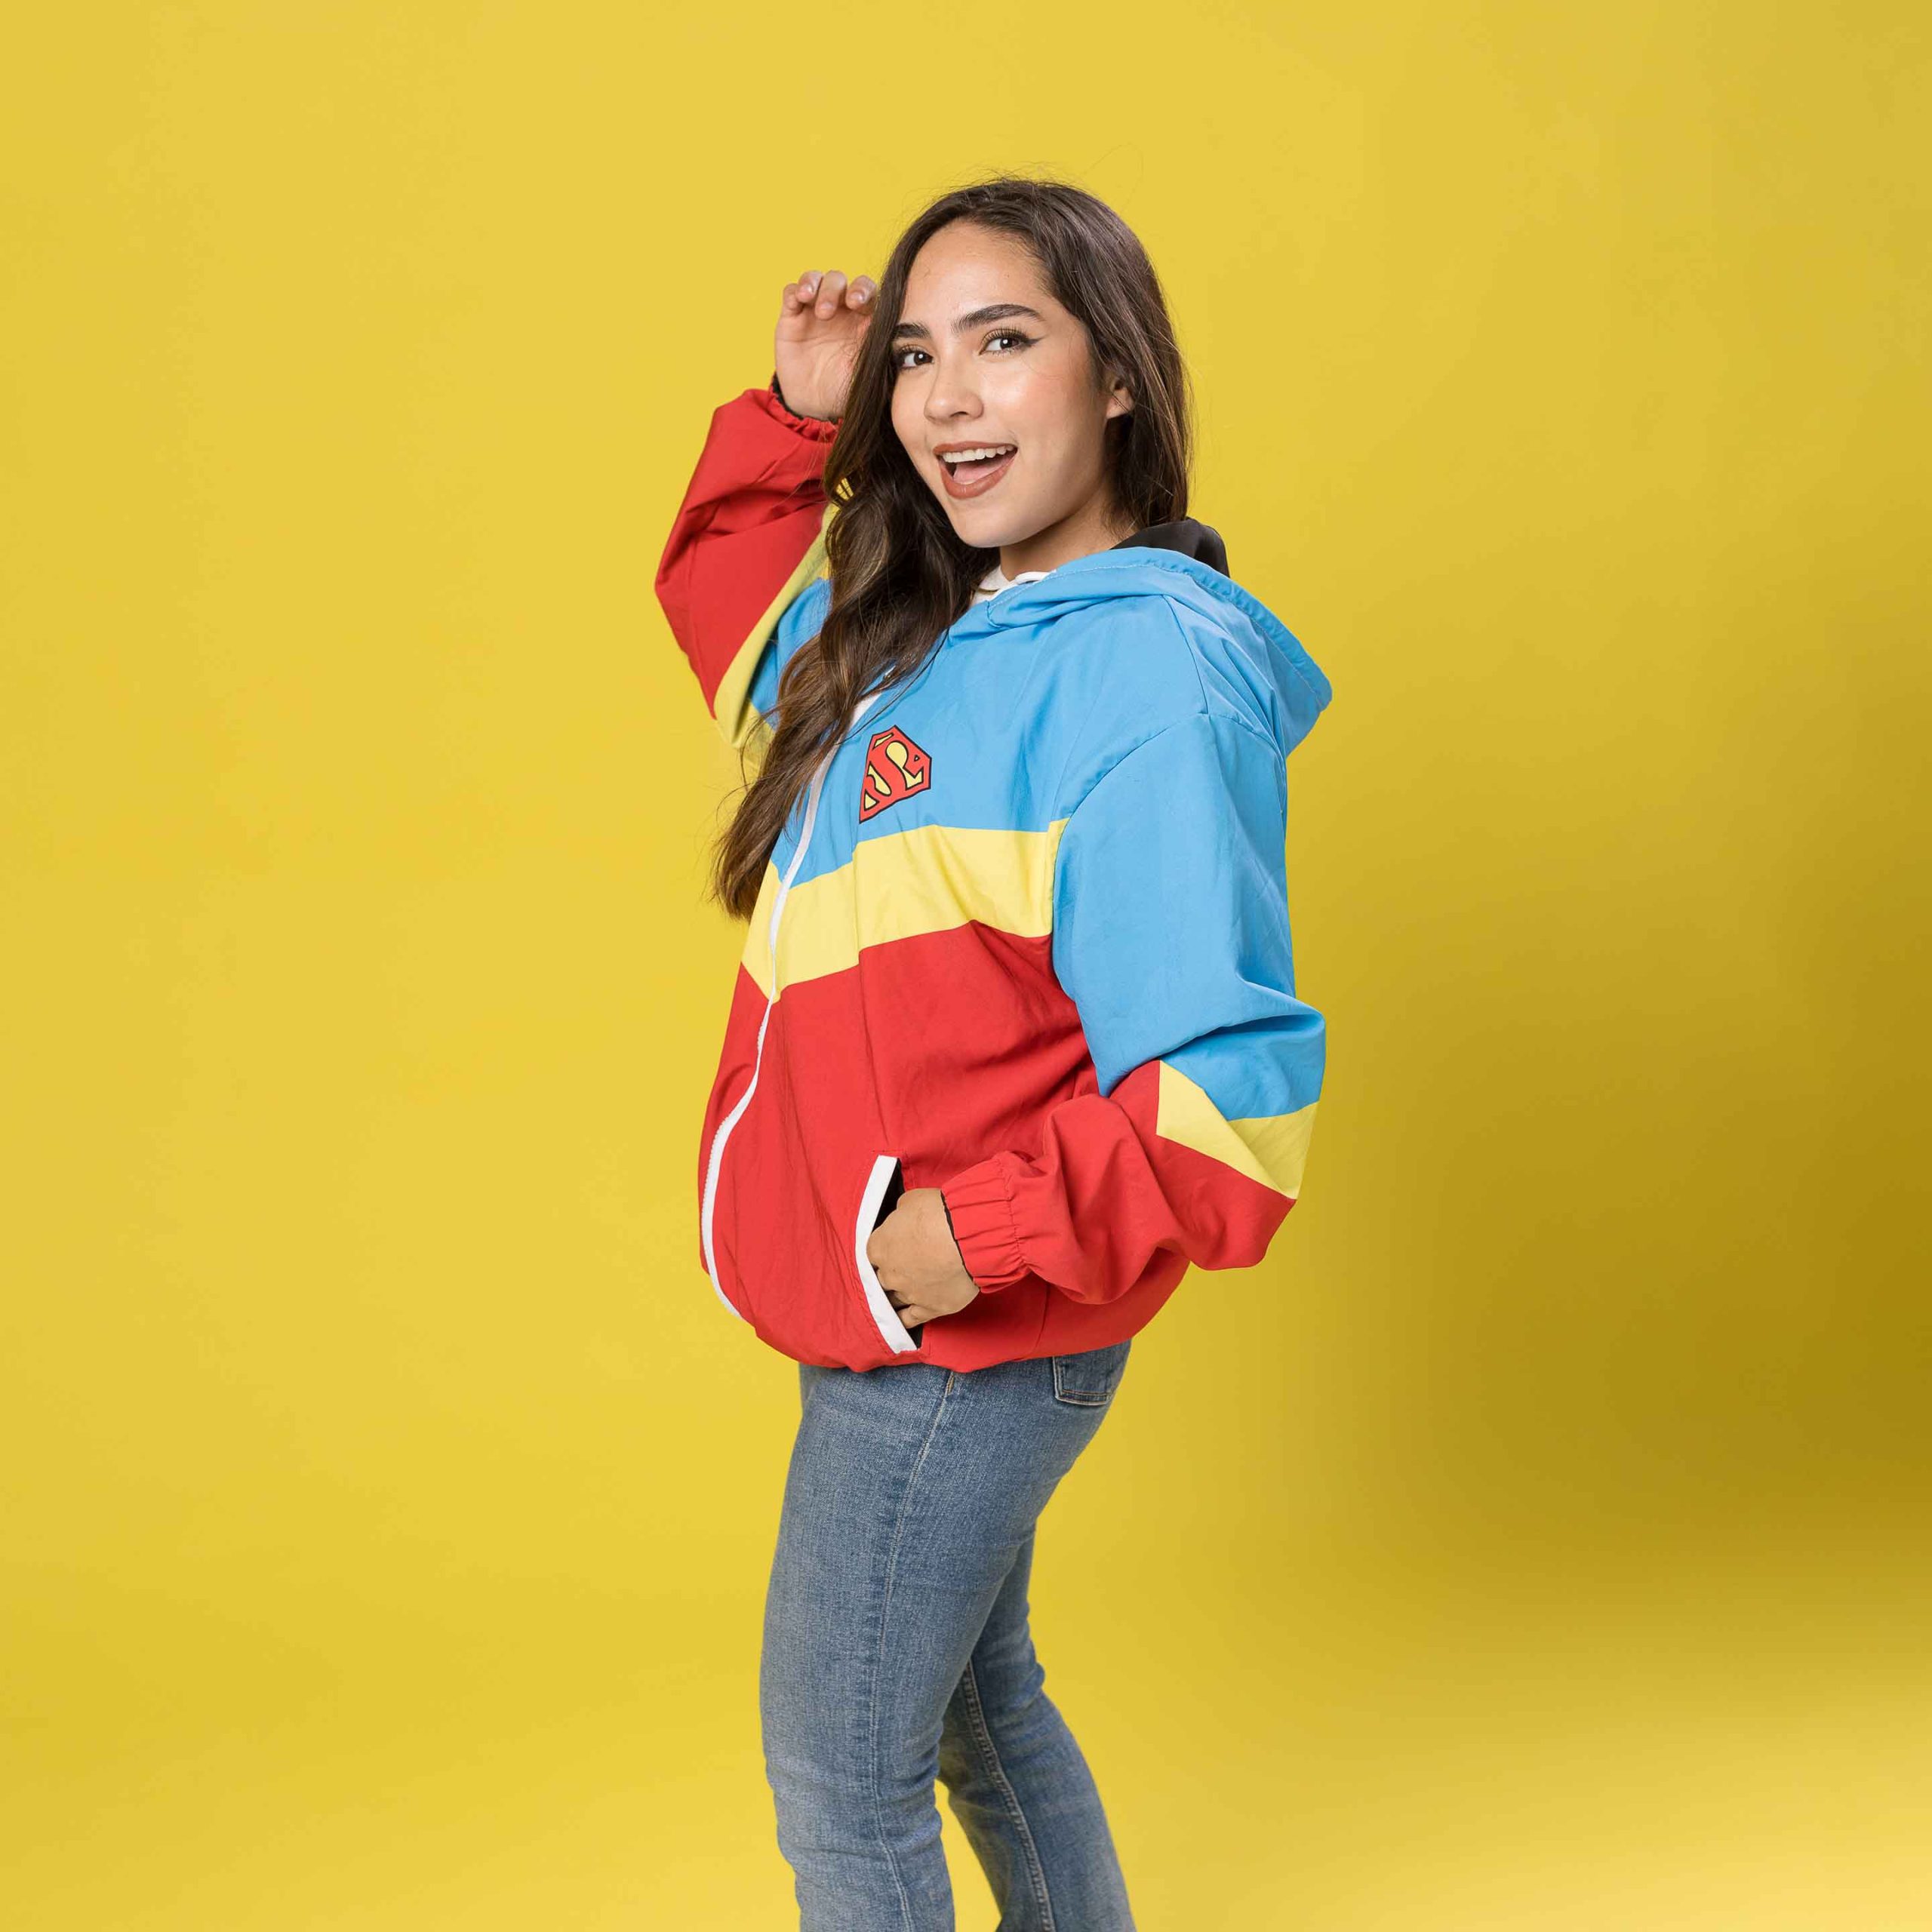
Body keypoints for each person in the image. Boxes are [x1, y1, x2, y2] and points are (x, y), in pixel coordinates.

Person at [654, 175, 1333, 1931]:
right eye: (914, 356)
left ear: (1115, 376)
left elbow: (1228, 1108)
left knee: (840, 1774)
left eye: (1003, 341)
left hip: (959, 1331)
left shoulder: (1145, 676)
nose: (947, 397)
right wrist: (795, 416)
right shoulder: (922, 646)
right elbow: (731, 620)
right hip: (906, 1314)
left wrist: (970, 1235)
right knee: (979, 1708)